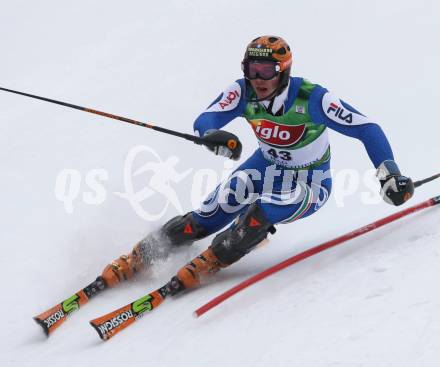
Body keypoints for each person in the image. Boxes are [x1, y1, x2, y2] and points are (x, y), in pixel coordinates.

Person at [100, 35, 414, 297]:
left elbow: (366, 128)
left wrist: (390, 173)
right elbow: (206, 119)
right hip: (264, 168)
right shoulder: (243, 91)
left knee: (259, 215)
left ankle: (212, 259)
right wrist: (212, 135)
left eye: (267, 71)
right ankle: (141, 255)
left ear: (284, 70)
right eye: (252, 69)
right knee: (206, 216)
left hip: (309, 184)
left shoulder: (312, 98)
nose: (258, 79)